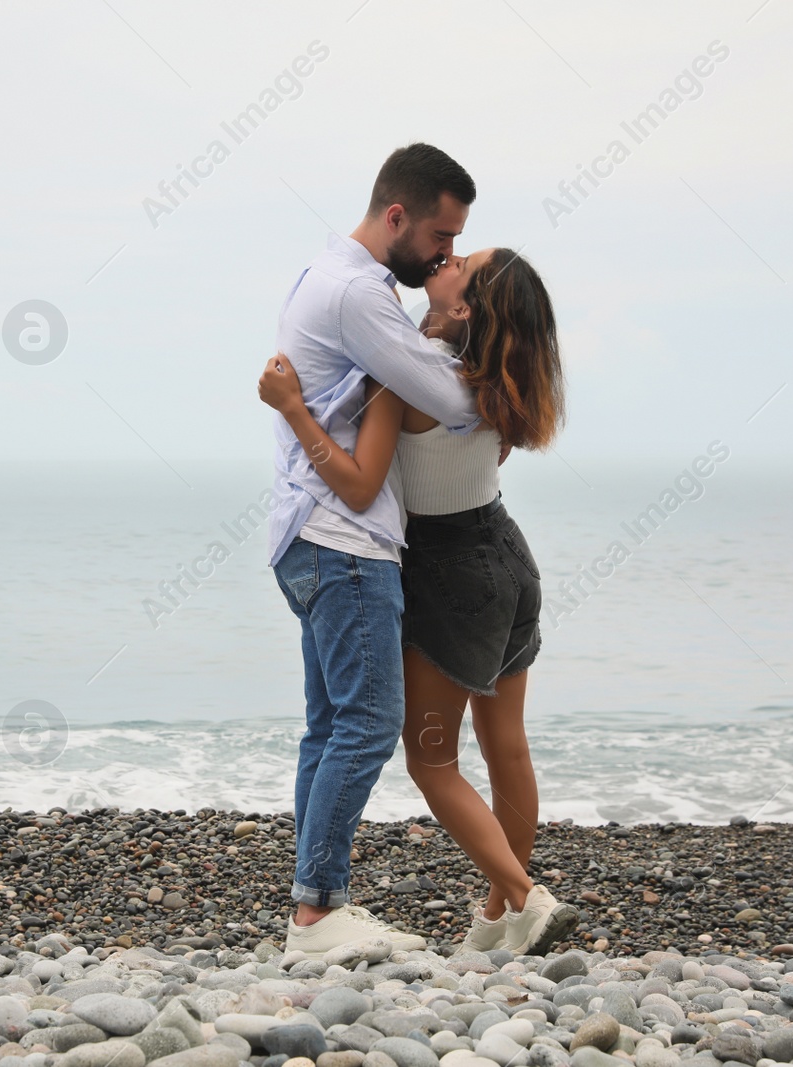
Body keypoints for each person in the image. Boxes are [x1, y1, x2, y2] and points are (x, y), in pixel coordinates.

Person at [259, 244, 579, 956]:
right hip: (507, 557)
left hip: (447, 572)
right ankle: (496, 922)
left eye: (463, 260)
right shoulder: (499, 381)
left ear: (465, 307)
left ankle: (526, 898)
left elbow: (358, 482)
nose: (448, 256)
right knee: (507, 750)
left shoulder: (403, 381)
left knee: (431, 761)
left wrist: (293, 410)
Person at [266, 143, 482, 958]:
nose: (446, 255)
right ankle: (318, 912)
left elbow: (390, 383)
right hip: (345, 541)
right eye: (440, 236)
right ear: (398, 216)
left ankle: (311, 905)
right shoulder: (360, 294)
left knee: (329, 725)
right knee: (368, 721)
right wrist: (474, 358)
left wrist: (432, 331)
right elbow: (450, 400)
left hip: (307, 535)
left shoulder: (328, 273)